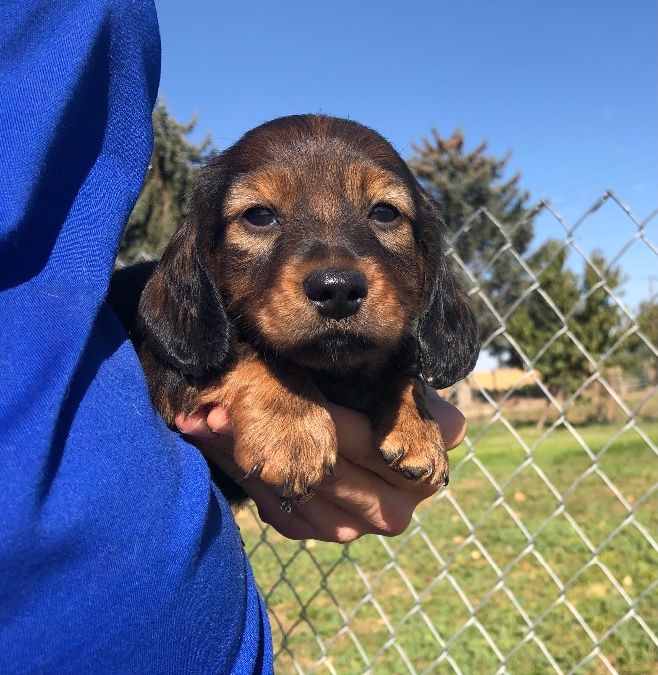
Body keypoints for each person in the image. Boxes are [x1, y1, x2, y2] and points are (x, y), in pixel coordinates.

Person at [0, 0, 467, 671]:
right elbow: (170, 348)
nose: (334, 271)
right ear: (203, 257)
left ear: (425, 259)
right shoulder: (160, 308)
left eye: (384, 212)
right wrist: (253, 383)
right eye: (259, 215)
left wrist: (400, 391)